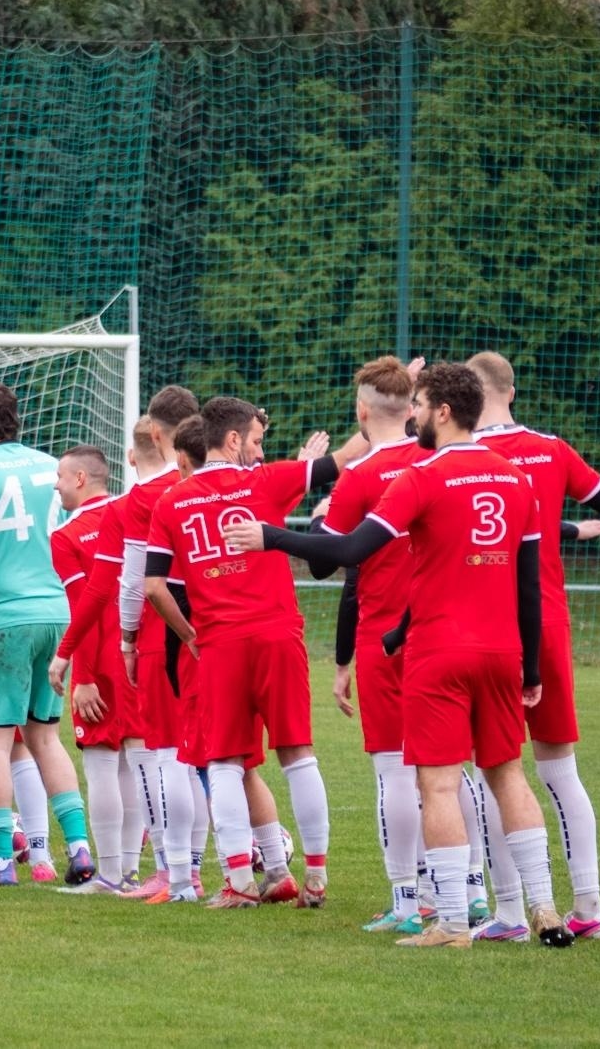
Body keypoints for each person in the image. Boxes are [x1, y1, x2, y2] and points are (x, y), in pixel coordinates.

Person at [230, 362, 574, 947]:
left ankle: (450, 923)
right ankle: (544, 909)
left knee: (436, 784)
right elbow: (525, 583)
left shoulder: (421, 478)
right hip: (502, 651)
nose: (410, 414)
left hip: (438, 652)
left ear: (442, 411)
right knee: (508, 775)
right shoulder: (516, 480)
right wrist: (532, 669)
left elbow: (350, 550)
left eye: (417, 404)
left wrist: (274, 535)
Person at [467, 350, 600, 941]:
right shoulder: (551, 449)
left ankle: (507, 913)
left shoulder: (459, 459)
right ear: (512, 390)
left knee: (494, 772)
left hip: (485, 628)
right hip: (546, 624)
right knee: (559, 771)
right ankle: (590, 909)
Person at [142, 398, 335, 908]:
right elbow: (353, 455)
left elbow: (154, 587)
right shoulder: (265, 481)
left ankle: (239, 883)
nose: (257, 448)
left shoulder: (172, 501)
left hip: (219, 643)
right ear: (233, 439)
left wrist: (187, 635)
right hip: (278, 635)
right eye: (253, 438)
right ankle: (314, 877)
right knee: (297, 753)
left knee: (223, 761)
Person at [51, 390, 200, 901]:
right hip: (192, 638)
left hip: (123, 652)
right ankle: (187, 867)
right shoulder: (190, 490)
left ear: (136, 452)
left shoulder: (87, 527)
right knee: (169, 762)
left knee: (113, 765)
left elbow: (97, 599)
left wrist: (82, 670)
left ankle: (121, 873)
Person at [304, 357, 434, 932]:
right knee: (457, 768)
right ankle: (467, 890)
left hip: (384, 637)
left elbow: (321, 564)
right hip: (441, 628)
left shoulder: (359, 478)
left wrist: (318, 506)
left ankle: (408, 899)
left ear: (360, 411)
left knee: (394, 772)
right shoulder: (436, 459)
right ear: (414, 409)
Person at [0, 380, 93, 887]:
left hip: (5, 617)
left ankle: (2, 865)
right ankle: (78, 848)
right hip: (58, 612)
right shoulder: (50, 464)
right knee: (45, 737)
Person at [49, 444, 141, 894]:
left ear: (81, 479)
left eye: (62, 477)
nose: (56, 485)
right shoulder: (132, 511)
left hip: (100, 659)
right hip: (140, 655)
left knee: (104, 765)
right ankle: (133, 870)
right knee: (137, 764)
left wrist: (82, 676)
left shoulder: (66, 536)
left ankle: (109, 874)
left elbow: (82, 606)